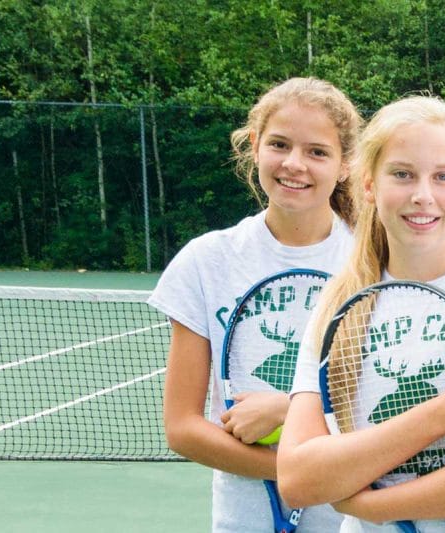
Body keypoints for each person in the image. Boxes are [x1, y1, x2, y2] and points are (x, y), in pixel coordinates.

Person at [275, 95, 445, 532]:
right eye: (402, 174)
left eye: (443, 177)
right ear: (370, 186)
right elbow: (297, 476)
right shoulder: (339, 305)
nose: (423, 196)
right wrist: (441, 416)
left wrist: (374, 506)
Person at [151, 77, 359, 532]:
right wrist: (296, 470)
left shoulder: (376, 265)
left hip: (352, 518)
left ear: (346, 164)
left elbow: (388, 414)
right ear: (254, 145)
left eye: (317, 152)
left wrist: (288, 411)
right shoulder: (206, 262)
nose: (294, 164)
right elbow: (183, 428)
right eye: (279, 145)